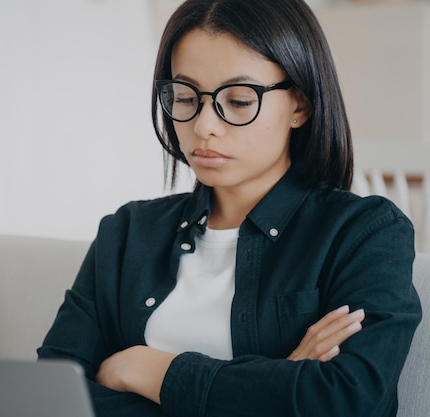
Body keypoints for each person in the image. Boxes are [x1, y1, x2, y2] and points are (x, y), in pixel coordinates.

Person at [37, 0, 422, 416]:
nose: (204, 125)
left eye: (238, 100)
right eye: (185, 97)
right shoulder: (127, 231)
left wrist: (148, 370)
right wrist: (274, 384)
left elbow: (345, 399)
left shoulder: (364, 233)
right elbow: (53, 394)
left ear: (300, 105)